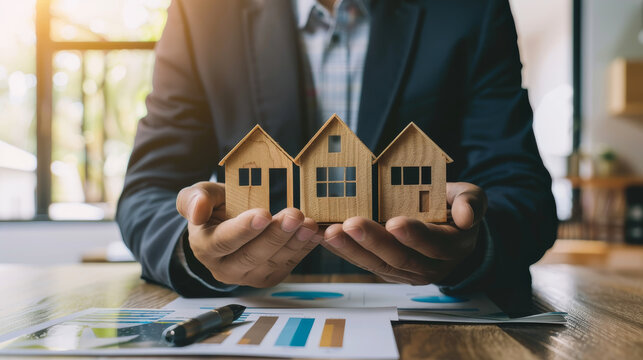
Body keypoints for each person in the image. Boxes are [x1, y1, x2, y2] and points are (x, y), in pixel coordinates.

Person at [117, 0, 558, 298]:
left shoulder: (471, 9)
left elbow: (522, 193)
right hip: (256, 314)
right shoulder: (202, 13)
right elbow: (147, 192)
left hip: (429, 321)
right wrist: (194, 251)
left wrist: (472, 247)